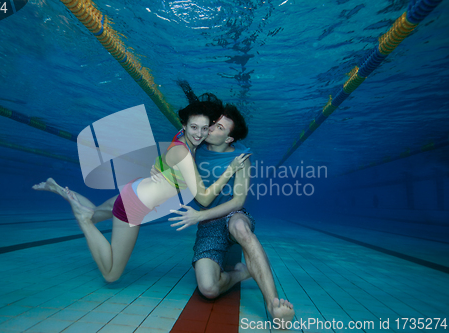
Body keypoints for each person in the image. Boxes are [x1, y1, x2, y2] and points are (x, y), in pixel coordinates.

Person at [32, 97, 250, 283]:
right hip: (133, 206)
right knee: (111, 274)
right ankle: (82, 219)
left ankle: (59, 189)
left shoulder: (181, 139)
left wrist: (160, 164)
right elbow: (203, 199)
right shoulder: (184, 154)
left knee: (95, 213)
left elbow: (174, 152)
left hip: (134, 191)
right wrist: (229, 170)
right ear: (184, 125)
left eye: (206, 128)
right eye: (195, 128)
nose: (201, 133)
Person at [156, 103, 295, 328]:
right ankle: (242, 273)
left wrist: (199, 216)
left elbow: (238, 201)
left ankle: (273, 305)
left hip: (233, 215)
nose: (210, 129)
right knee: (208, 289)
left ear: (229, 138)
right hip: (209, 225)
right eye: (213, 123)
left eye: (219, 127)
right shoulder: (194, 148)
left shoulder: (241, 158)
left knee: (241, 227)